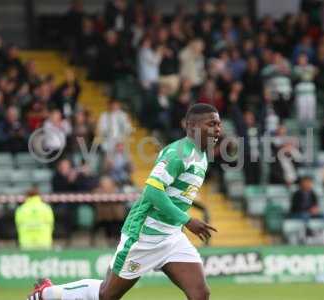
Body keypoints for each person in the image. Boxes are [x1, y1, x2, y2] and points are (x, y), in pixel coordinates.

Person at [27, 103, 221, 300]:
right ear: (193, 126)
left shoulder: (202, 155)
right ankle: (47, 293)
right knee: (106, 295)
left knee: (200, 294)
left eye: (219, 124)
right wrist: (187, 220)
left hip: (171, 236)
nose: (218, 129)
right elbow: (153, 191)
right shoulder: (179, 153)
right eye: (212, 124)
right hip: (145, 234)